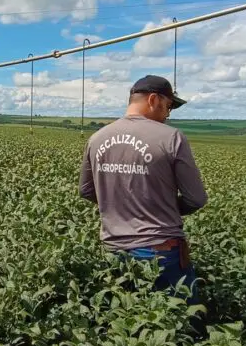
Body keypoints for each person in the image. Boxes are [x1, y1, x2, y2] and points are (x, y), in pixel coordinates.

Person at [78, 75, 208, 303]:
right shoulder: (171, 137)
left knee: (126, 318)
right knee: (181, 322)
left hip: (113, 248)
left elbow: (86, 190)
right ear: (153, 99)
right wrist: (162, 207)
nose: (167, 115)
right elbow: (196, 198)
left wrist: (119, 206)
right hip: (160, 250)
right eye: (168, 107)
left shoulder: (97, 138)